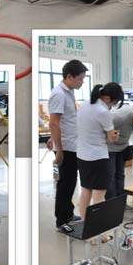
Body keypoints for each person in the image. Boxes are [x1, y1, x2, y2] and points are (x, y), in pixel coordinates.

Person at [74, 82, 124, 223]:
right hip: (98, 158)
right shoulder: (103, 112)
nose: (112, 106)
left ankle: (85, 223)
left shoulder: (85, 103)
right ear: (107, 98)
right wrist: (115, 135)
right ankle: (97, 229)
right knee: (99, 195)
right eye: (114, 103)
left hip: (82, 155)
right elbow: (111, 138)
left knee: (86, 191)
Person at [47, 59, 87, 232]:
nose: (82, 82)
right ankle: (61, 220)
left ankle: (68, 213)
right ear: (70, 76)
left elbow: (62, 121)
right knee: (65, 184)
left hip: (71, 144)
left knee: (70, 182)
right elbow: (53, 122)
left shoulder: (68, 92)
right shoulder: (59, 94)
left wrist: (52, 138)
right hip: (66, 147)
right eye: (80, 78)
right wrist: (59, 150)